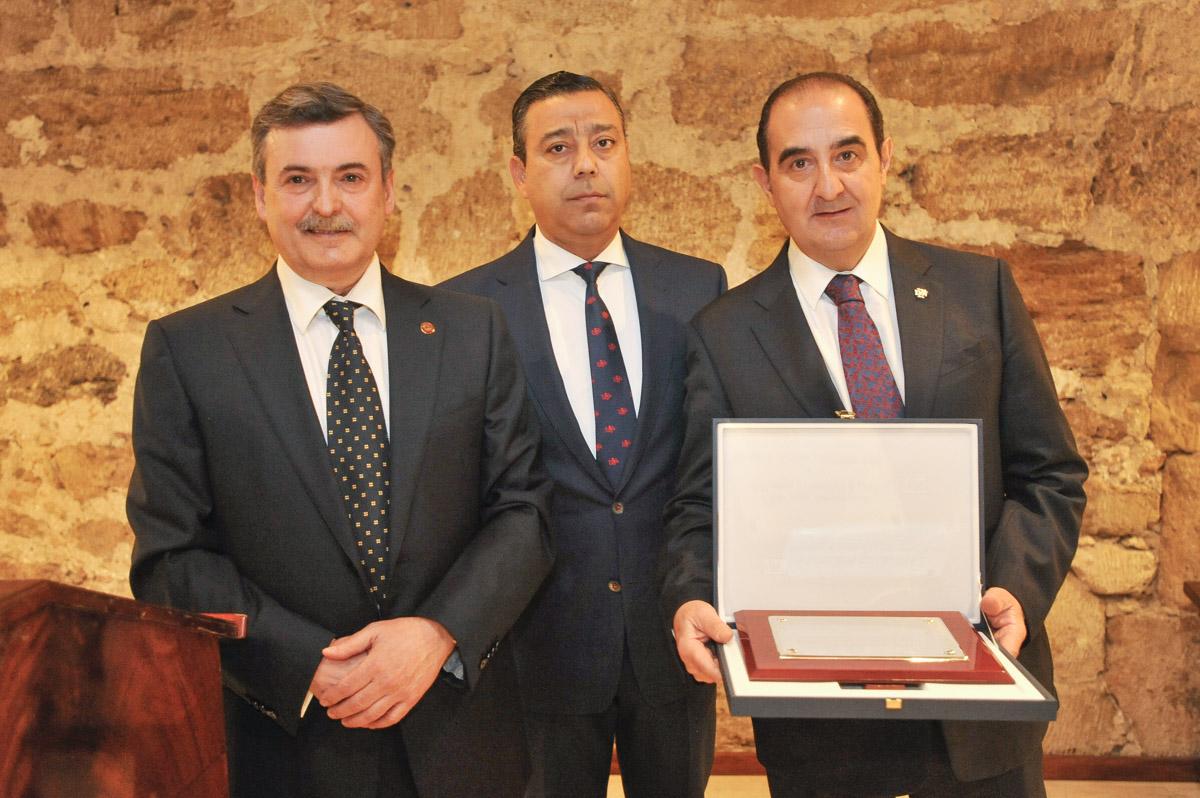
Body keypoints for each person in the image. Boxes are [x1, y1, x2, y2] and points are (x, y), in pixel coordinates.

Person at [660, 72, 1088, 798]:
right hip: (820, 726)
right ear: (765, 183)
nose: (828, 185)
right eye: (799, 162)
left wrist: (1014, 588)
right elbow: (699, 507)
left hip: (980, 711)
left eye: (848, 155)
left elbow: (1050, 473)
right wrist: (690, 595)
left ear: (885, 158)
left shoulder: (980, 292)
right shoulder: (723, 335)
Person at [127, 82, 554, 798]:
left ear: (388, 192)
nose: (326, 204)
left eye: (350, 177)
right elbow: (170, 559)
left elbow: (525, 512)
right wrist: (308, 663)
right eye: (298, 180)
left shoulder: (471, 331)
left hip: (460, 741)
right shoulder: (188, 350)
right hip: (286, 748)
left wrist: (438, 633)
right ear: (260, 195)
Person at [441, 71, 726, 798]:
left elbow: (709, 464)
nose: (586, 165)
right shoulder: (467, 309)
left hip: (672, 637)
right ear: (519, 173)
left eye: (604, 143)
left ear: (627, 156)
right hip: (537, 647)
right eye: (558, 148)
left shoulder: (699, 288)